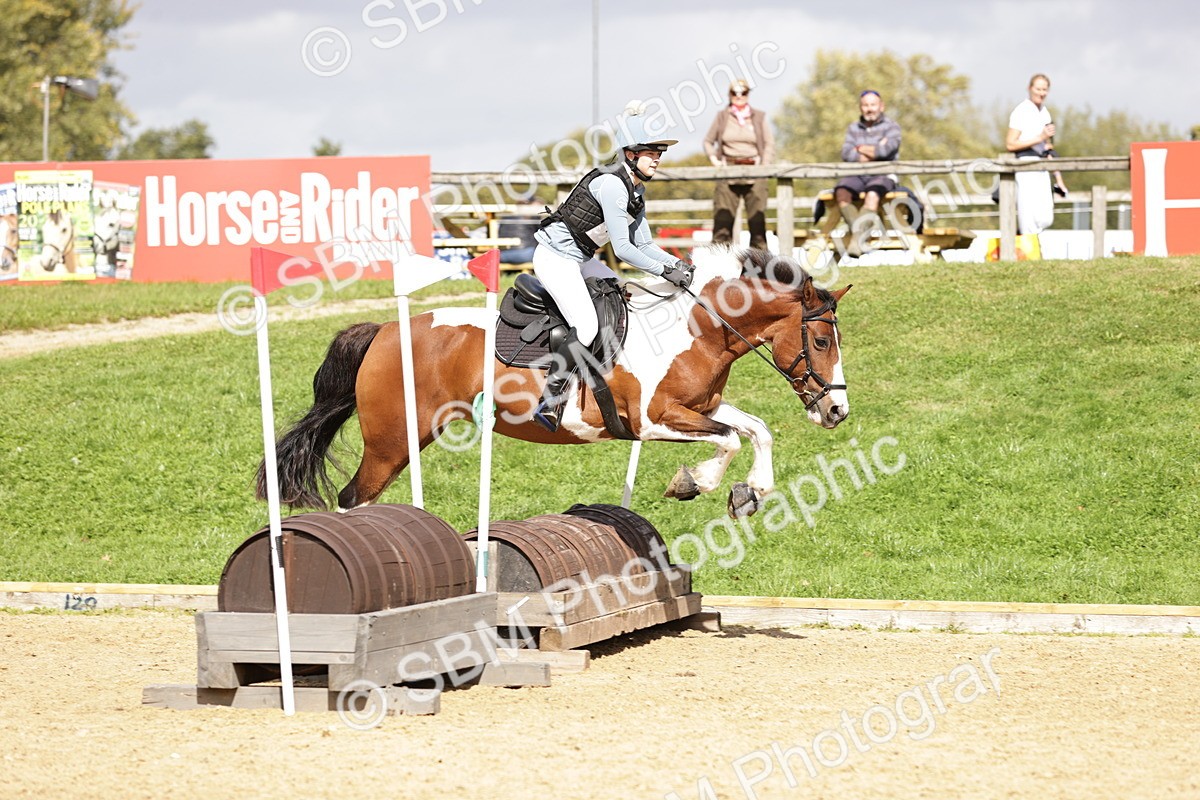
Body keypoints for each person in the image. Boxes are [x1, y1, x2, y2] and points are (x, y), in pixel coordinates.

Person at [530, 106, 694, 432]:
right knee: (588, 325)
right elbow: (623, 250)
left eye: (659, 152)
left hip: (581, 258)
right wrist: (664, 273)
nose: (658, 158)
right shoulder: (612, 186)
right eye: (652, 151)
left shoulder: (636, 191)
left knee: (626, 296)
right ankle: (551, 400)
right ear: (631, 154)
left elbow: (644, 245)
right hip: (555, 258)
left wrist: (677, 264)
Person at [703, 79, 775, 250]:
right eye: (735, 93)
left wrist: (763, 167)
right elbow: (707, 141)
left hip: (755, 171)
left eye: (743, 92)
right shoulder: (722, 116)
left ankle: (759, 271)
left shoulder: (759, 116)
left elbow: (769, 143)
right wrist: (715, 160)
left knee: (757, 224)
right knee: (722, 225)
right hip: (728, 172)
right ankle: (719, 270)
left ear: (748, 94)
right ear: (729, 95)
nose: (739, 96)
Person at [834, 89, 902, 255]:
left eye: (873, 104)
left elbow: (887, 151)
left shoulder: (892, 126)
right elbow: (846, 154)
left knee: (872, 195)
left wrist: (860, 149)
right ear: (860, 107)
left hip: (883, 174)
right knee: (841, 192)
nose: (869, 108)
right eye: (865, 105)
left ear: (881, 106)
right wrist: (875, 149)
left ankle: (856, 242)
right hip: (857, 174)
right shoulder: (853, 128)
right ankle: (860, 237)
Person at [1006, 73, 1069, 235]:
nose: (1041, 93)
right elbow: (1010, 143)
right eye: (1038, 89)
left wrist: (1059, 180)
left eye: (1045, 89)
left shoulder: (1044, 112)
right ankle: (1027, 253)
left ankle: (1025, 244)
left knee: (1045, 217)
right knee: (1029, 217)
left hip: (1043, 166)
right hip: (1025, 164)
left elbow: (1048, 147)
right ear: (1030, 89)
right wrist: (1039, 137)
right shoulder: (1021, 111)